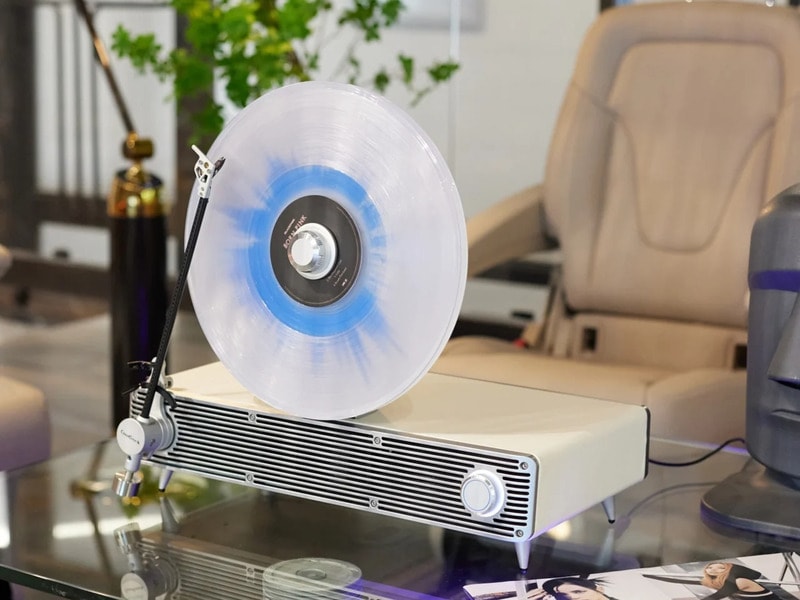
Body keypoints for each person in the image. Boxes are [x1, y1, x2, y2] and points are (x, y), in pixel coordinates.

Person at [642, 561, 779, 599]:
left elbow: (714, 598)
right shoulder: (719, 583)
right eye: (710, 567)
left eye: (721, 568)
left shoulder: (738, 581)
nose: (713, 570)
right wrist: (648, 575)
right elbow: (679, 581)